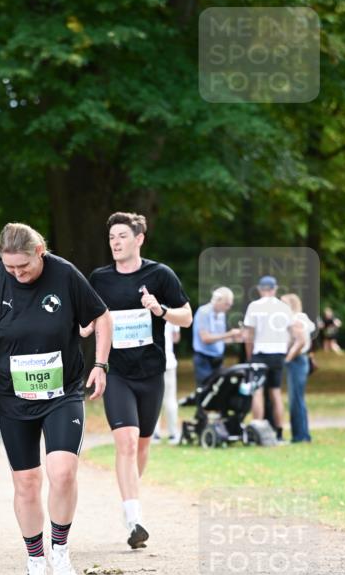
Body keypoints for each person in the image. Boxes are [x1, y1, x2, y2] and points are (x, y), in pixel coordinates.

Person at [0, 222, 111, 575]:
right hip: (13, 396)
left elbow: (101, 316)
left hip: (62, 392)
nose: (17, 274)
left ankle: (61, 551)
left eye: (24, 266)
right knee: (26, 483)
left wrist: (100, 364)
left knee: (63, 472)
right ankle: (35, 560)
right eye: (10, 268)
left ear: (40, 252)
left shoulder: (65, 274)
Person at [87, 213, 191, 549]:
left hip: (151, 373)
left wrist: (160, 310)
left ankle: (130, 498)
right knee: (127, 442)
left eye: (122, 236)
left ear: (139, 239)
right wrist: (85, 328)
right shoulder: (100, 279)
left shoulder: (160, 275)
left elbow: (187, 317)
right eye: (111, 237)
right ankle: (134, 519)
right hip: (117, 372)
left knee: (143, 444)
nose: (115, 242)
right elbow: (88, 316)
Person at [243, 275, 293, 442]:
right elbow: (291, 333)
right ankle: (279, 432)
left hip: (260, 352)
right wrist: (284, 349)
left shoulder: (254, 306)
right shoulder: (284, 307)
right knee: (276, 393)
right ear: (275, 289)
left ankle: (257, 429)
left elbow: (249, 335)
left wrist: (249, 355)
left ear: (259, 289)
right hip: (278, 353)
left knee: (257, 392)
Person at [281, 293, 315, 443]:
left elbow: (300, 341)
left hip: (297, 361)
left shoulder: (296, 319)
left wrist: (288, 359)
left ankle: (300, 435)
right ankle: (301, 434)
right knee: (296, 399)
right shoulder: (299, 318)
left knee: (296, 399)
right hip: (300, 361)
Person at [191, 287, 240, 386]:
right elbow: (206, 339)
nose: (228, 307)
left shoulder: (221, 315)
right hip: (204, 359)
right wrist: (230, 334)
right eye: (227, 304)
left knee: (219, 391)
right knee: (205, 390)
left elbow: (219, 338)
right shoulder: (203, 312)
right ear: (218, 300)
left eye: (230, 305)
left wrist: (236, 338)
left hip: (217, 359)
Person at [153, 323, 181, 444]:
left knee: (153, 399)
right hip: (168, 361)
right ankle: (173, 433)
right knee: (170, 399)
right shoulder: (170, 308)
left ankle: (154, 433)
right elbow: (176, 337)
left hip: (151, 362)